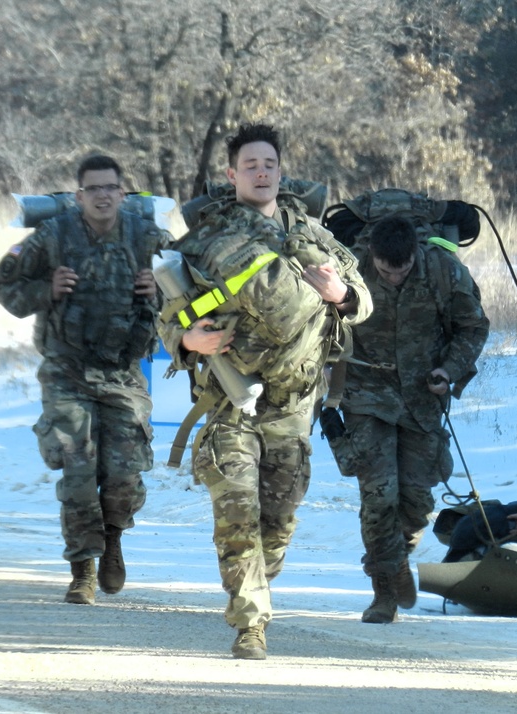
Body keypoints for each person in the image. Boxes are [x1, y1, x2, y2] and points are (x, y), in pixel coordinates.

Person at [158, 123, 372, 660]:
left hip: (294, 407)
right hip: (229, 401)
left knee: (276, 526)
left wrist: (342, 294)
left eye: (268, 164)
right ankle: (249, 625)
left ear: (280, 171)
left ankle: (254, 581)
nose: (260, 172)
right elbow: (165, 313)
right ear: (232, 175)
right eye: (249, 165)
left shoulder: (316, 237)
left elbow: (364, 303)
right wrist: (187, 338)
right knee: (238, 515)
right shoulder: (206, 239)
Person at [0, 154, 171, 606]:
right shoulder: (52, 236)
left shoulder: (149, 237)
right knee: (78, 472)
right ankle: (82, 570)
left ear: (123, 193)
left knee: (125, 474)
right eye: (93, 189)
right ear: (79, 195)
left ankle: (112, 539)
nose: (103, 195)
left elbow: (197, 294)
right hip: (66, 369)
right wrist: (45, 289)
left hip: (123, 373)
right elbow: (1, 283)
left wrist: (160, 290)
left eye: (111, 187)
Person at [323, 215, 489, 624]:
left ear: (415, 254)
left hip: (421, 396)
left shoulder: (443, 270)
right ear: (372, 259)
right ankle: (383, 592)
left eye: (402, 270)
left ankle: (394, 558)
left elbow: (473, 327)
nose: (393, 278)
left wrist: (449, 370)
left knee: (416, 501)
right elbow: (319, 323)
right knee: (379, 495)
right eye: (384, 271)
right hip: (366, 393)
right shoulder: (350, 270)